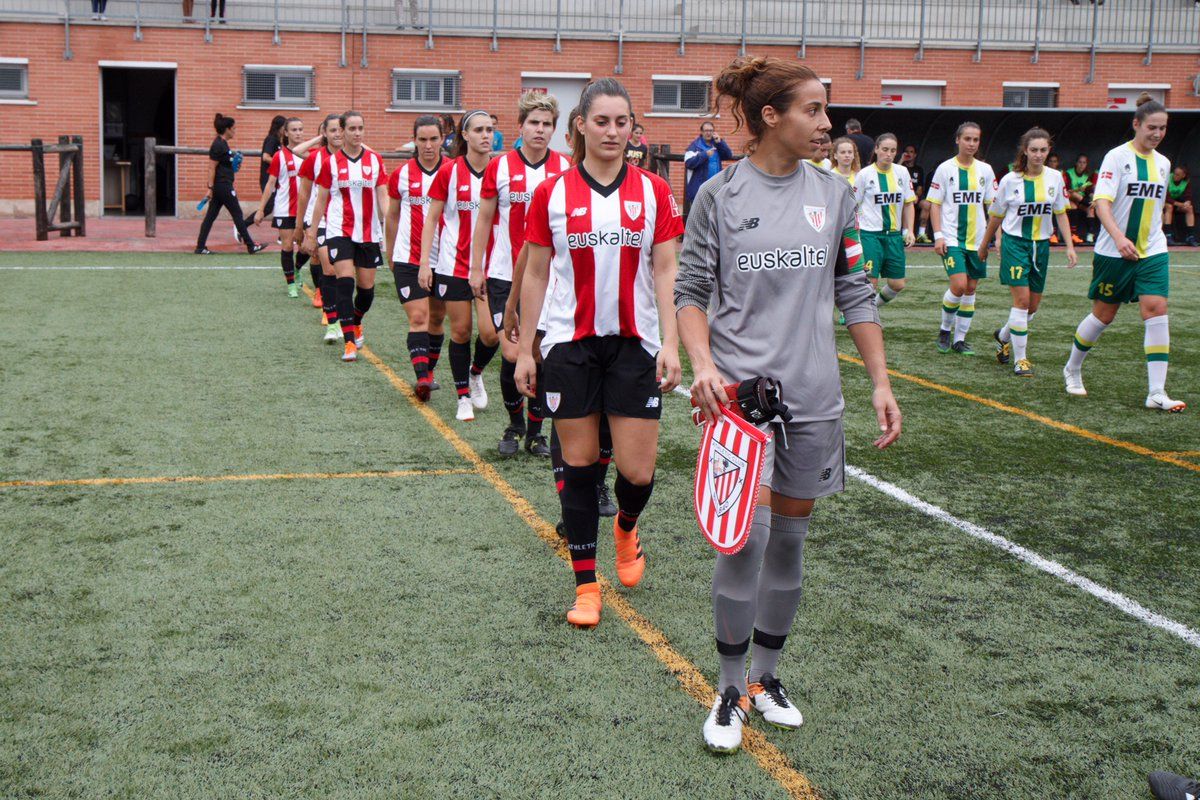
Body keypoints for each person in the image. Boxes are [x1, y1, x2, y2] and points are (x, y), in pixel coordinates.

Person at [676, 56, 901, 755]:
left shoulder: (835, 194)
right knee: (745, 540)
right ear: (770, 117)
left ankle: (766, 678)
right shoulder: (719, 194)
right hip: (741, 403)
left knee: (791, 541)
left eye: (825, 109)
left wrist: (880, 381)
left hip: (813, 397)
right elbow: (690, 292)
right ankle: (727, 687)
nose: (827, 123)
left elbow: (854, 290)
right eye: (813, 109)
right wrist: (704, 365)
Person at [515, 78, 684, 629]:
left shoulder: (654, 191)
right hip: (570, 345)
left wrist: (670, 343)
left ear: (633, 128)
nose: (613, 132)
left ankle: (626, 527)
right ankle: (586, 586)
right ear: (581, 126)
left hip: (635, 345)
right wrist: (527, 349)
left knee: (637, 472)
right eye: (602, 121)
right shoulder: (552, 193)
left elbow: (666, 269)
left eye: (622, 122)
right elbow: (536, 272)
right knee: (581, 467)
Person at [1063, 94, 1184, 411]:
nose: (1157, 134)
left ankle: (1156, 392)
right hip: (1113, 251)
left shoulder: (1163, 164)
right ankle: (1072, 368)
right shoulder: (1116, 157)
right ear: (1136, 124)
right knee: (1104, 315)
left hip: (1152, 250)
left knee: (1156, 309)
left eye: (1162, 128)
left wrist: (1152, 238)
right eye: (1152, 127)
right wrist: (1118, 238)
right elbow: (1101, 202)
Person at [471, 91, 570, 454]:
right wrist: (475, 268)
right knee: (512, 353)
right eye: (533, 123)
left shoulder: (565, 167)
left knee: (539, 354)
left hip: (549, 278)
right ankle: (514, 425)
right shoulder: (499, 167)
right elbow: (484, 219)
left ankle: (535, 433)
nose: (540, 130)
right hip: (503, 274)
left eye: (546, 124)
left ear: (554, 129)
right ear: (520, 126)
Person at [419, 110, 499, 421]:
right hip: (453, 264)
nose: (485, 135)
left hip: (491, 266)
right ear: (464, 135)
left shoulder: (501, 170)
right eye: (478, 129)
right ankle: (463, 396)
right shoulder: (449, 171)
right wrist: (425, 263)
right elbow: (431, 219)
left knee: (491, 334)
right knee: (461, 331)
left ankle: (476, 372)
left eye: (489, 129)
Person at [978, 127, 1077, 377]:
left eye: (1043, 150)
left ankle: (1002, 336)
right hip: (1015, 244)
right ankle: (1020, 360)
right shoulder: (1010, 180)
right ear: (1025, 151)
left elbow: (1061, 213)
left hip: (1041, 246)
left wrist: (1070, 246)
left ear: (1049, 150)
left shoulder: (1055, 177)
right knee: (1021, 302)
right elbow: (996, 216)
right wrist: (985, 244)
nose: (1038, 155)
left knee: (1031, 308)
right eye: (1034, 150)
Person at [303, 110, 388, 363]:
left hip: (368, 232)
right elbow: (321, 200)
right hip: (339, 230)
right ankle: (349, 342)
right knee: (345, 281)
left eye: (360, 128)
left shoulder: (375, 160)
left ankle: (357, 321)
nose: (357, 133)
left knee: (366, 292)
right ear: (342, 131)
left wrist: (390, 226)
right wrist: (311, 232)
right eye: (352, 128)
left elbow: (383, 196)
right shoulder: (331, 163)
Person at [385, 115, 447, 400]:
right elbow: (392, 215)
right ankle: (422, 378)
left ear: (443, 139)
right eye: (422, 139)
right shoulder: (401, 175)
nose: (428, 145)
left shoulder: (453, 171)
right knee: (419, 317)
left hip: (445, 259)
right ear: (414, 141)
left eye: (433, 139)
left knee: (436, 319)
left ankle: (429, 372)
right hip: (408, 257)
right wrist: (390, 251)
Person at [927, 121, 998, 355]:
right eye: (967, 138)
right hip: (952, 238)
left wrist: (996, 238)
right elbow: (935, 204)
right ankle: (944, 330)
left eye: (976, 139)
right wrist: (938, 236)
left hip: (977, 240)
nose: (971, 143)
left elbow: (994, 208)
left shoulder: (986, 170)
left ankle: (960, 339)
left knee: (971, 288)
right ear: (958, 140)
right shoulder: (945, 169)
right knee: (958, 285)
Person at [255, 117, 320, 297]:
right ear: (286, 133)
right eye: (294, 130)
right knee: (287, 246)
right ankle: (291, 283)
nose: (298, 133)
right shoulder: (279, 156)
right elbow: (271, 183)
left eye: (300, 129)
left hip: (306, 210)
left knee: (307, 247)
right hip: (285, 208)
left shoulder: (312, 155)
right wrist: (261, 209)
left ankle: (297, 268)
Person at [295, 114, 344, 338]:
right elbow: (304, 193)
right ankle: (330, 314)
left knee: (343, 272)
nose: (337, 134)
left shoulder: (354, 158)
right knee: (328, 266)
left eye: (340, 129)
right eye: (332, 130)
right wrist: (300, 226)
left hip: (345, 221)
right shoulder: (315, 158)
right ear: (325, 133)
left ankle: (334, 306)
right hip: (320, 219)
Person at [855, 133, 916, 307]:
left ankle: (872, 308)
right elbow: (853, 205)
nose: (889, 154)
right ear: (876, 149)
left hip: (894, 236)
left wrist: (910, 230)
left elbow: (909, 203)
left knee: (897, 284)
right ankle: (862, 316)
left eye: (893, 151)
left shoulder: (902, 172)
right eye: (885, 149)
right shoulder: (865, 174)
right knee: (870, 282)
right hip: (870, 235)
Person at [195, 113, 267, 256]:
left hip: (223, 184)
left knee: (210, 216)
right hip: (222, 185)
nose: (235, 131)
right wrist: (210, 188)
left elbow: (224, 164)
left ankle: (200, 247)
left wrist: (233, 164)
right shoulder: (218, 145)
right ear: (227, 129)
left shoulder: (223, 144)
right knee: (237, 214)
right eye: (233, 128)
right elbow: (211, 167)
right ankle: (251, 245)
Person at [684, 122, 734, 217]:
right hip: (700, 188)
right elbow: (689, 163)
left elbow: (728, 155)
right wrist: (704, 155)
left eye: (711, 130)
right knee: (700, 216)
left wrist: (720, 142)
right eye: (706, 130)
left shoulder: (716, 144)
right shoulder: (695, 146)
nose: (708, 133)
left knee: (714, 217)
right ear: (701, 132)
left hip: (716, 187)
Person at [1065, 154, 1097, 244]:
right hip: (1070, 199)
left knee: (1090, 209)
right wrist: (1078, 190)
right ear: (1076, 163)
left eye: (1084, 163)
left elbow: (1089, 191)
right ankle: (1073, 235)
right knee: (1074, 197)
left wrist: (1092, 196)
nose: (1081, 165)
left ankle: (1090, 235)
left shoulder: (1087, 175)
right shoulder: (1068, 173)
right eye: (1080, 162)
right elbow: (1067, 191)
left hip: (1081, 201)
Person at [1164, 166, 1197, 246]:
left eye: (1178, 175)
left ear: (1183, 176)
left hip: (1176, 203)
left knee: (1190, 208)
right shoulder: (1167, 178)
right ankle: (1168, 235)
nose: (1175, 176)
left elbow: (1188, 195)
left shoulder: (1186, 181)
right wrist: (1181, 204)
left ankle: (1190, 236)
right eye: (1174, 173)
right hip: (1164, 203)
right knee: (1169, 206)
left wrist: (1187, 202)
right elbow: (1166, 197)